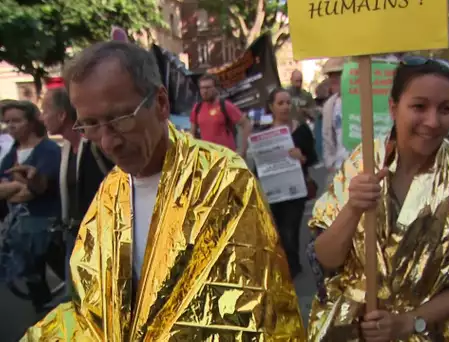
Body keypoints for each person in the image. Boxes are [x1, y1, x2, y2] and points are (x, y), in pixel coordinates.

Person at [21, 41, 305, 340]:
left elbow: (250, 308)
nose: (107, 143)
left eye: (120, 120)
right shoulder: (109, 194)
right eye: (91, 124)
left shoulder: (222, 179)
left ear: (160, 103)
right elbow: (94, 312)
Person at [307, 57, 449, 341]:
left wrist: (408, 323)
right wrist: (353, 208)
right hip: (348, 331)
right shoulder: (361, 164)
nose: (432, 121)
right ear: (393, 107)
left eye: (444, 109)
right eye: (419, 106)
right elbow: (326, 260)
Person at [26, 77, 112, 300]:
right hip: (73, 237)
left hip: (99, 240)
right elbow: (60, 190)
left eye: (45, 110)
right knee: (76, 298)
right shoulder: (65, 149)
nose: (41, 117)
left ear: (62, 115)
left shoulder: (93, 146)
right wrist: (34, 181)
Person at [0, 100, 61, 314]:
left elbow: (36, 190)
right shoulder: (13, 152)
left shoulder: (48, 149)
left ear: (31, 122)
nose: (11, 126)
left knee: (66, 274)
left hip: (48, 227)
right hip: (21, 229)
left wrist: (18, 187)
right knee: (34, 281)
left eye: (16, 120)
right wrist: (20, 187)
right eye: (7, 122)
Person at [260, 87, 317, 278]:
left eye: (288, 102)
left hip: (296, 190)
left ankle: (293, 267)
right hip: (273, 192)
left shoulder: (301, 131)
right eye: (280, 103)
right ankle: (284, 264)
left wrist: (302, 158)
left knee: (291, 229)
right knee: (277, 230)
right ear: (271, 107)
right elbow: (259, 165)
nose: (285, 107)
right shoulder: (264, 136)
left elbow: (313, 157)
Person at [189, 74, 252, 157]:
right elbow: (192, 134)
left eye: (208, 87)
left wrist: (243, 151)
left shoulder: (225, 106)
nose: (204, 91)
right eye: (202, 88)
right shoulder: (197, 108)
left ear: (216, 88)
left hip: (227, 158)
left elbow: (246, 124)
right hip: (209, 160)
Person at [321, 57, 348, 181]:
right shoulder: (329, 105)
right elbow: (327, 137)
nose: (334, 78)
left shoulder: (363, 101)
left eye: (339, 74)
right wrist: (330, 163)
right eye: (331, 75)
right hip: (338, 169)